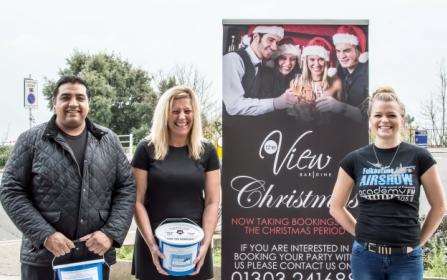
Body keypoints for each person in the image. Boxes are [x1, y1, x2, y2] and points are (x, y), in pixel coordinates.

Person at [0, 76, 136, 280]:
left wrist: (110, 233)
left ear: (88, 103)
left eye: (80, 98)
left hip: (94, 257)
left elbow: (126, 188)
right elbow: (11, 190)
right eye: (65, 97)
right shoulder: (30, 141)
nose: (73, 103)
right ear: (54, 103)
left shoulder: (109, 140)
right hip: (43, 259)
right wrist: (45, 235)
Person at [329, 86, 446, 279]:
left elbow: (440, 207)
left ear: (402, 119)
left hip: (407, 260)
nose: (384, 120)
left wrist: (418, 242)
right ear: (370, 121)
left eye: (391, 115)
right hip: (365, 258)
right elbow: (335, 206)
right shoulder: (354, 159)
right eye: (378, 115)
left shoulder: (419, 157)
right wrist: (361, 234)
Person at [131, 86, 220, 279]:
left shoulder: (207, 151)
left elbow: (213, 202)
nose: (182, 117)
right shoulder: (146, 149)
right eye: (175, 111)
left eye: (187, 111)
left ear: (194, 114)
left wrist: (205, 245)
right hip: (153, 244)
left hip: (195, 246)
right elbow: (136, 202)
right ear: (165, 114)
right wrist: (153, 246)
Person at [223, 25, 297, 116]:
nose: (274, 47)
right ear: (256, 37)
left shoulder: (263, 67)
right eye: (270, 40)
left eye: (277, 43)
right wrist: (276, 103)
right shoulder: (232, 59)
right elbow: (234, 106)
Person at [316, 25, 369, 123]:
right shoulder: (340, 71)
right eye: (338, 51)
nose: (341, 56)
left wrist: (340, 107)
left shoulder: (368, 75)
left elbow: (368, 118)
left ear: (360, 50)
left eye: (347, 50)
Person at [288, 37, 342, 122]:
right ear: (306, 61)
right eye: (312, 59)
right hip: (303, 129)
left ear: (326, 61)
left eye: (321, 59)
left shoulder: (335, 82)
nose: (316, 64)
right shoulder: (296, 82)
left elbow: (341, 115)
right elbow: (291, 113)